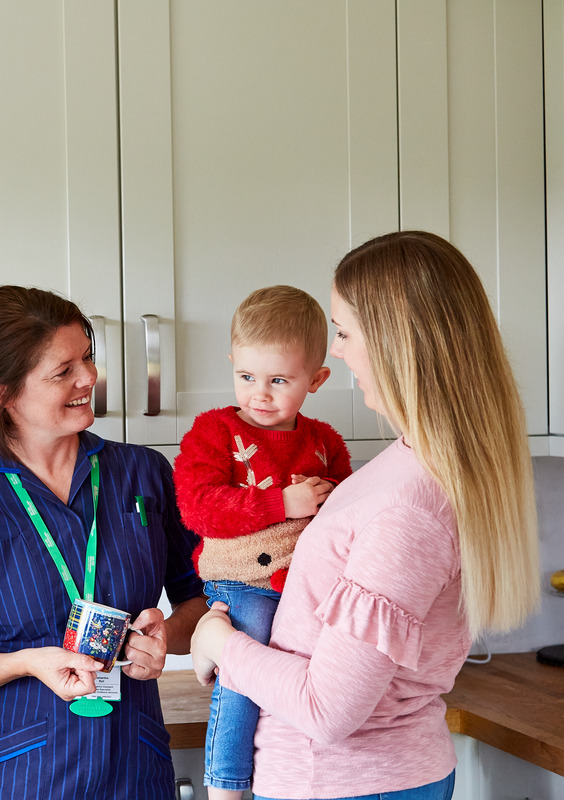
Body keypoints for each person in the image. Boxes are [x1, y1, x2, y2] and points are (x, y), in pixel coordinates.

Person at [191, 231, 540, 800]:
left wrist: (217, 643)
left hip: (345, 784)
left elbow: (325, 709)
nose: (335, 350)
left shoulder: (408, 507)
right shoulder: (411, 464)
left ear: (394, 342)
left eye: (345, 331)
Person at [0, 285, 209, 799]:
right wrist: (26, 661)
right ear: (1, 392)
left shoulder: (145, 475)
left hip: (135, 769)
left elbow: (201, 602)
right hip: (17, 777)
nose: (89, 378)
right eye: (63, 371)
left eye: (87, 358)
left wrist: (166, 638)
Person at [173, 285, 352, 800]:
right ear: (232, 363)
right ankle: (226, 787)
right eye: (247, 376)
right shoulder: (214, 432)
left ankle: (299, 772)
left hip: (306, 587)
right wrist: (282, 504)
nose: (260, 394)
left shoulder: (325, 442)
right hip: (245, 583)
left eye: (279, 380)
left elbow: (343, 518)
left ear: (316, 379)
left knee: (313, 682)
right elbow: (198, 507)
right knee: (245, 668)